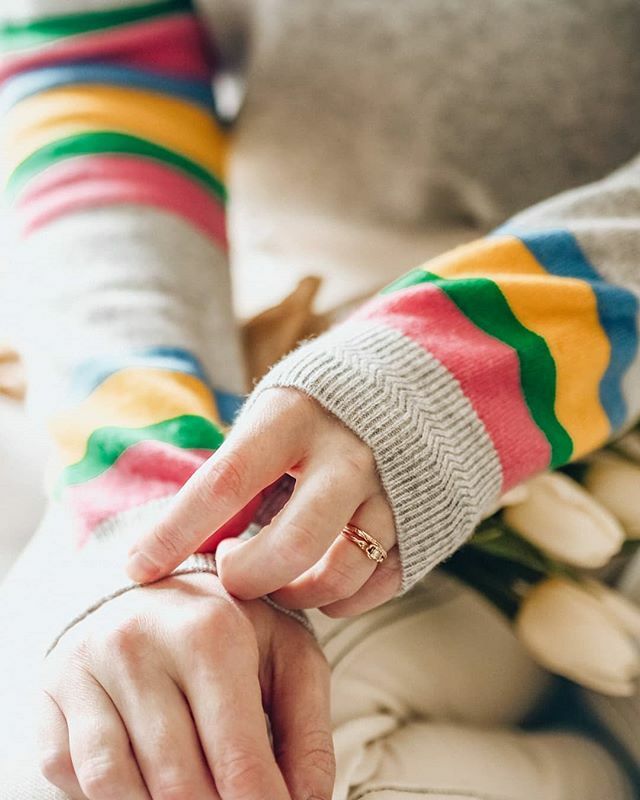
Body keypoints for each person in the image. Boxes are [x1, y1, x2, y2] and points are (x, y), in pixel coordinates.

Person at [0, 0, 639, 797]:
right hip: (278, 362)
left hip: (587, 339)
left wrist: (438, 376)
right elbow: (95, 74)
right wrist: (151, 494)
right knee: (120, 740)